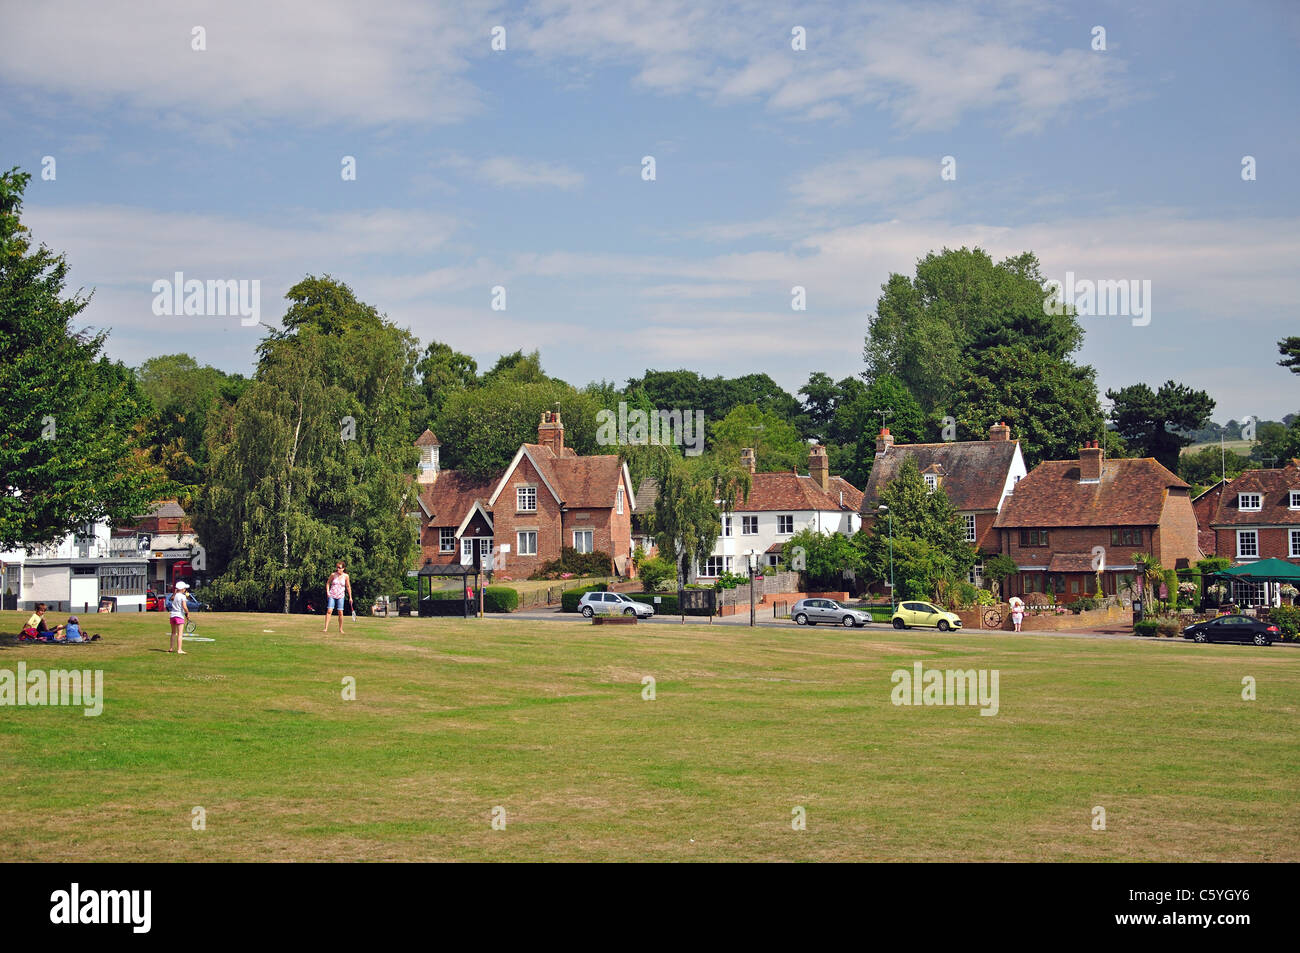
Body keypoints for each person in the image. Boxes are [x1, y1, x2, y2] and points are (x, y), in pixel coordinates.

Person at [323, 562, 352, 635]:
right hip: (332, 595)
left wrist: (350, 597)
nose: (338, 569)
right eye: (337, 567)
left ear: (343, 568)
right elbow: (328, 583)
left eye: (340, 567)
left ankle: (341, 629)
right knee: (329, 610)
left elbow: (348, 587)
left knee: (340, 612)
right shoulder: (333, 575)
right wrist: (327, 592)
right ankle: (325, 628)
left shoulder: (346, 576)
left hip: (341, 596)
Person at [168, 581, 190, 654]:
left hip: (172, 615)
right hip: (179, 616)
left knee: (173, 633)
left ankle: (171, 648)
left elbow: (171, 598)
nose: (185, 590)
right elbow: (184, 607)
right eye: (184, 588)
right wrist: (187, 613)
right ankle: (179, 649)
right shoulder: (183, 596)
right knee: (180, 634)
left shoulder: (175, 595)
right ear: (183, 589)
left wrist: (175, 592)